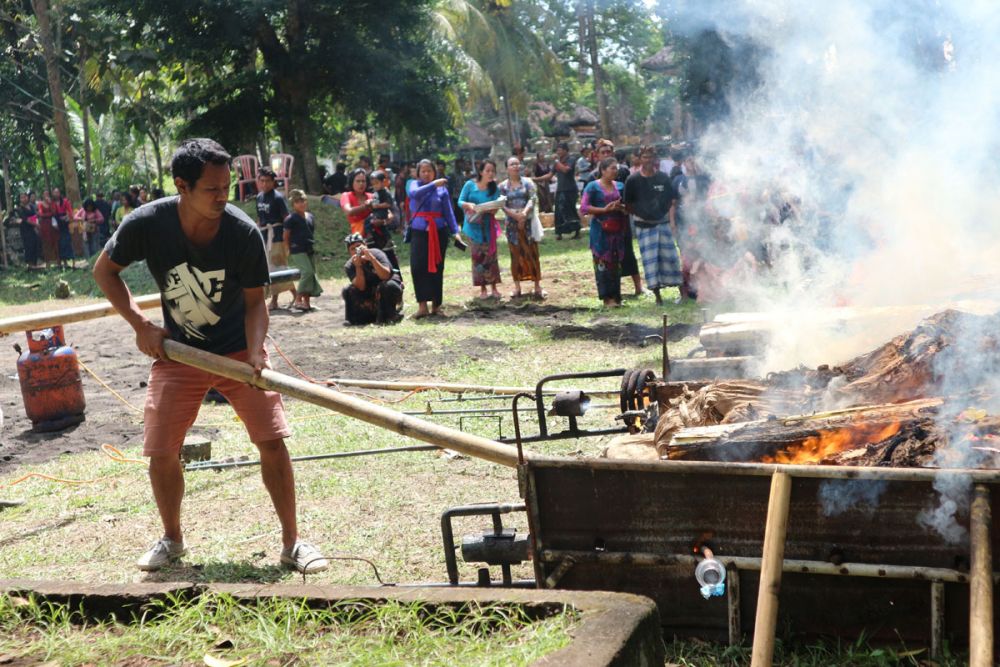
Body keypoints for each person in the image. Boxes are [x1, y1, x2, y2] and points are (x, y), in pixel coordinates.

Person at [93, 137, 328, 574]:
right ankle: (172, 539)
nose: (223, 197)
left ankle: (293, 543)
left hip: (239, 351)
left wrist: (256, 352)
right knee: (161, 449)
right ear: (182, 186)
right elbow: (104, 272)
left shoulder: (241, 232)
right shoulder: (147, 223)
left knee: (272, 440)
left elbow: (257, 303)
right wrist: (141, 325)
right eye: (212, 189)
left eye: (227, 188)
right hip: (179, 353)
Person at [583, 139, 643, 296]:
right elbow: (585, 205)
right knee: (604, 258)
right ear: (597, 156)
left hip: (621, 222)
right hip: (602, 225)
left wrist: (625, 208)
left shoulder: (623, 172)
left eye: (608, 151)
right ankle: (609, 294)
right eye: (603, 152)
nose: (606, 154)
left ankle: (636, 287)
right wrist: (603, 210)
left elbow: (630, 195)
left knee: (626, 254)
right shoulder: (592, 180)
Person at [624, 146, 682, 305]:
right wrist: (642, 214)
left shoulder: (663, 178)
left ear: (655, 159)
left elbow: (672, 200)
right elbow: (628, 204)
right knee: (650, 262)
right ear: (639, 159)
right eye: (644, 157)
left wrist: (670, 221)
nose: (648, 160)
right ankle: (658, 297)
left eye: (651, 157)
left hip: (662, 224)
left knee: (671, 258)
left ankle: (682, 293)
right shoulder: (633, 180)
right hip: (643, 226)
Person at [406, 159, 463, 318]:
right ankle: (422, 306)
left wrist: (455, 231)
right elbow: (414, 195)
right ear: (418, 173)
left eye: (429, 171)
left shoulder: (442, 190)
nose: (426, 174)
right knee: (418, 267)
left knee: (437, 268)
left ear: (434, 172)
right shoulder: (412, 184)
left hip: (439, 232)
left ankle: (436, 306)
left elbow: (449, 212)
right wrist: (433, 184)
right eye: (423, 171)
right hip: (419, 231)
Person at [581, 157, 628, 307]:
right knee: (602, 263)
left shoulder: (620, 186)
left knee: (616, 264)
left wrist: (621, 208)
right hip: (600, 231)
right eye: (612, 168)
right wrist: (604, 209)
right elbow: (584, 208)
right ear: (603, 170)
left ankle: (617, 296)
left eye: (617, 168)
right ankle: (607, 298)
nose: (616, 171)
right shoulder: (592, 187)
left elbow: (628, 206)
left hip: (617, 229)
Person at [499, 156, 545, 299]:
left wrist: (523, 214)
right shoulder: (502, 186)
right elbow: (502, 204)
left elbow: (533, 199)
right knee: (515, 255)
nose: (515, 166)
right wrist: (515, 216)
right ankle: (517, 287)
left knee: (532, 253)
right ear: (507, 168)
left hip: (528, 224)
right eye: (512, 164)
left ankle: (537, 286)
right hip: (512, 226)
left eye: (517, 164)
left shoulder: (528, 182)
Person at [458, 159, 503, 300]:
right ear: (481, 172)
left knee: (491, 256)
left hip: (488, 226)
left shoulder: (494, 188)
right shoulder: (469, 185)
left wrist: (494, 208)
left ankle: (494, 287)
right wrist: (469, 205)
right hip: (473, 227)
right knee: (478, 257)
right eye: (487, 171)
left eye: (492, 171)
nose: (490, 174)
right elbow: (460, 201)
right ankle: (483, 288)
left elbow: (496, 206)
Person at [255, 167, 296, 310]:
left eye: (267, 181)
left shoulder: (278, 198)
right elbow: (260, 219)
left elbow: (287, 218)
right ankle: (295, 293)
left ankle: (275, 300)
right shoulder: (259, 197)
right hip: (265, 237)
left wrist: (287, 240)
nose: (264, 184)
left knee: (277, 268)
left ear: (273, 182)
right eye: (262, 181)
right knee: (268, 268)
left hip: (277, 237)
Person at [342, 232, 403, 325]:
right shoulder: (350, 265)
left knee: (387, 285)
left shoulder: (377, 253)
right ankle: (354, 320)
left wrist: (372, 259)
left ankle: (391, 315)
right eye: (352, 249)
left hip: (387, 290)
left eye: (358, 246)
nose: (356, 250)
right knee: (347, 290)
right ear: (349, 252)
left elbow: (385, 276)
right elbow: (360, 287)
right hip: (370, 296)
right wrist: (358, 267)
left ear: (365, 245)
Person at [283, 189, 323, 312]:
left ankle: (307, 303)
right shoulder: (291, 219)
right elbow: (286, 236)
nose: (301, 204)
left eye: (303, 201)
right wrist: (288, 249)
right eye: (297, 202)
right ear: (293, 204)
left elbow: (311, 232)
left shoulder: (310, 216)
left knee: (312, 275)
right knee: (307, 272)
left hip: (309, 248)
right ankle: (298, 298)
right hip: (297, 250)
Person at [364, 170, 400, 271]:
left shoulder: (385, 192)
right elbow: (374, 201)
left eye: (377, 183)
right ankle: (370, 235)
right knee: (368, 221)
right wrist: (370, 202)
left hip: (382, 212)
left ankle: (388, 240)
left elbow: (389, 204)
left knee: (378, 224)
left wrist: (378, 205)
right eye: (373, 184)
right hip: (376, 212)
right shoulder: (375, 192)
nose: (375, 186)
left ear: (383, 182)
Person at [552, 142, 580, 240]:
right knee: (559, 211)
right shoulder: (557, 162)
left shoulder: (571, 159)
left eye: (559, 150)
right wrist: (534, 179)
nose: (558, 152)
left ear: (565, 150)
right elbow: (549, 175)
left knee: (570, 210)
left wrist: (556, 161)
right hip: (560, 189)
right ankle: (559, 233)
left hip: (570, 189)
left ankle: (577, 231)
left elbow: (565, 170)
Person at [340, 168, 373, 236]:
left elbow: (388, 213)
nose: (361, 184)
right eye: (358, 181)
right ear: (352, 182)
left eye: (363, 181)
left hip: (375, 234)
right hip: (357, 235)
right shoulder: (346, 196)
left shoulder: (372, 196)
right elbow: (349, 211)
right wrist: (366, 206)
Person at [16, 192, 41, 268]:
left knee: (35, 245)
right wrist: (36, 225)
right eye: (22, 197)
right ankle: (30, 266)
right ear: (20, 199)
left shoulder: (31, 206)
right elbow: (26, 220)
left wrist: (36, 225)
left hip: (34, 229)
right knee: (28, 247)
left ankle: (35, 264)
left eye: (25, 197)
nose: (24, 198)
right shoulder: (20, 209)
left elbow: (35, 216)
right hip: (26, 230)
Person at [51, 187, 74, 270]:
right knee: (58, 244)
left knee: (66, 242)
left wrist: (66, 217)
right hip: (55, 225)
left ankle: (68, 262)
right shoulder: (52, 203)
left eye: (57, 192)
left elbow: (70, 213)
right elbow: (51, 214)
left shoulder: (65, 201)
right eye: (54, 192)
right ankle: (60, 262)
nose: (56, 194)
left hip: (64, 224)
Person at [36, 190, 58, 268]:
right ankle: (48, 262)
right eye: (45, 194)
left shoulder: (52, 203)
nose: (46, 195)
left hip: (52, 224)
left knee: (54, 242)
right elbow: (40, 214)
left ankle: (57, 261)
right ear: (42, 195)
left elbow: (54, 212)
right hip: (44, 226)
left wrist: (49, 203)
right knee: (46, 243)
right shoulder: (40, 204)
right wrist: (48, 214)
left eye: (48, 194)